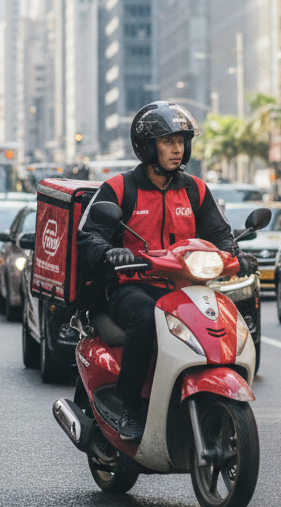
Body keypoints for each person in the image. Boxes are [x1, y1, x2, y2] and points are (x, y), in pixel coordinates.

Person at [77, 101, 258, 441]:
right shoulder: (120, 188)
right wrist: (109, 252)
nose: (177, 149)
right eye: (168, 142)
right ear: (147, 147)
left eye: (181, 142)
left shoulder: (194, 189)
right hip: (132, 286)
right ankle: (130, 404)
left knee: (220, 317)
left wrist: (236, 253)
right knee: (144, 318)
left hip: (184, 286)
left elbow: (219, 233)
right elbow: (89, 235)